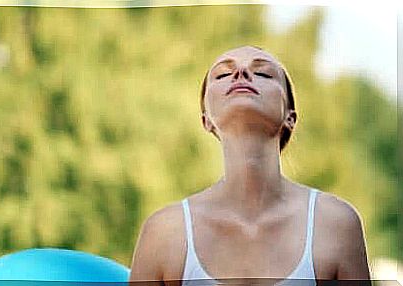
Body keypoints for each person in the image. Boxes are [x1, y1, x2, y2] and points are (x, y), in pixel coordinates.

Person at [129, 46, 371, 286]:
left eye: (264, 73)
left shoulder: (336, 223)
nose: (241, 73)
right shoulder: (164, 232)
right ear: (206, 119)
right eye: (223, 74)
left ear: (290, 116)